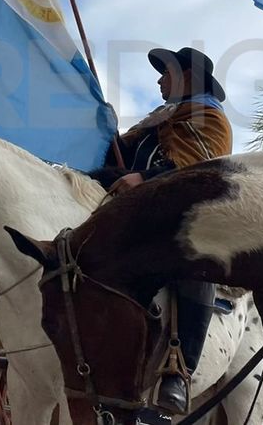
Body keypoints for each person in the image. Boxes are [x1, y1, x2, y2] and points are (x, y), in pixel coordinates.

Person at [107, 47, 232, 417]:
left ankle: (179, 369)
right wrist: (106, 133)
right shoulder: (151, 124)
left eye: (167, 73)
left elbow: (200, 170)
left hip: (182, 212)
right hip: (127, 209)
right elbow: (118, 163)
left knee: (195, 260)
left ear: (189, 77)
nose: (159, 80)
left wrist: (145, 178)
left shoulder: (211, 118)